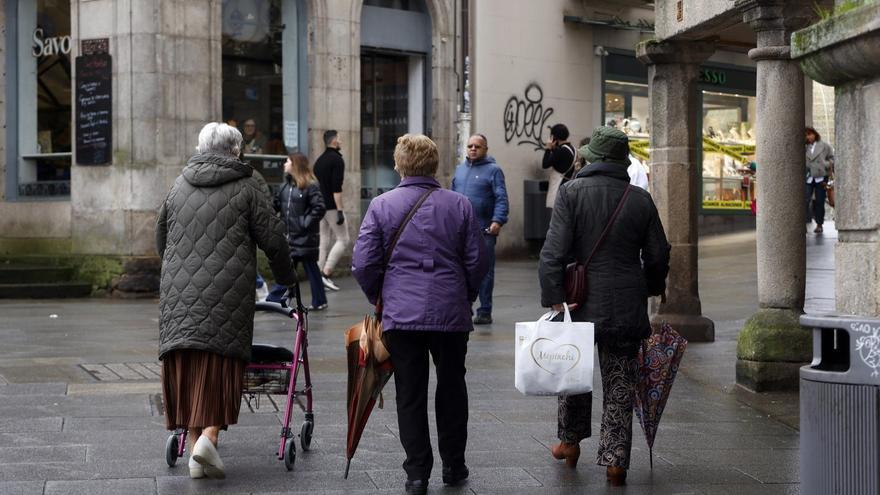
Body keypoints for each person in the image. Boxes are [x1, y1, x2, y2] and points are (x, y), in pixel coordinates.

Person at [156, 122, 295, 479]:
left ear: (201, 148)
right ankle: (209, 435)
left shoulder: (179, 183)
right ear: (236, 151)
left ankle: (195, 449)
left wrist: (177, 269)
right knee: (221, 360)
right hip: (227, 289)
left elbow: (161, 235)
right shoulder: (249, 184)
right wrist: (288, 280)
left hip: (177, 287)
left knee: (185, 359)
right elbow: (273, 239)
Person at [352, 134, 488, 495]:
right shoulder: (459, 205)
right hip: (450, 311)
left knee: (409, 392)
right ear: (434, 165)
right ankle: (454, 466)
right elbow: (477, 260)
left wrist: (379, 297)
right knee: (452, 387)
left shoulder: (382, 206)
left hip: (401, 314)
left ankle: (417, 473)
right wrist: (466, 294)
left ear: (399, 165)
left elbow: (364, 263)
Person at [539, 126, 670, 486]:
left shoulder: (571, 192)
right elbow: (658, 254)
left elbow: (553, 251)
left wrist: (553, 296)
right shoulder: (640, 199)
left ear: (592, 157)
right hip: (626, 303)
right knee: (620, 382)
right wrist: (651, 288)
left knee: (574, 372)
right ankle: (616, 461)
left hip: (580, 301)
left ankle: (569, 442)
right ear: (622, 161)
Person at [451, 134, 509, 325]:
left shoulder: (494, 171)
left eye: (477, 146)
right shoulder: (459, 170)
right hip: (460, 231)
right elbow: (451, 198)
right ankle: (463, 307)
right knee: (459, 270)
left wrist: (497, 220)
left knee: (484, 271)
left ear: (485, 149)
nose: (473, 149)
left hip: (484, 231)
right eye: (470, 146)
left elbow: (501, 197)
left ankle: (485, 310)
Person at [266, 153, 329, 310]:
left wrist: (304, 223)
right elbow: (276, 205)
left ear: (295, 164)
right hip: (289, 236)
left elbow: (319, 207)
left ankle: (318, 300)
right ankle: (276, 300)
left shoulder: (310, 185)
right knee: (288, 270)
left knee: (308, 268)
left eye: (287, 161)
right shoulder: (284, 186)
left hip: (305, 236)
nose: (285, 164)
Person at [314, 130, 349, 291]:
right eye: (339, 139)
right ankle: (326, 273)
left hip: (321, 206)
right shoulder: (337, 160)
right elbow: (337, 188)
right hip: (332, 207)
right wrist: (340, 210)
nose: (341, 141)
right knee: (343, 239)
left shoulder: (319, 161)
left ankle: (317, 274)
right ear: (334, 141)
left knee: (324, 241)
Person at [805, 126, 834, 234]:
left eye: (810, 134)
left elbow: (832, 159)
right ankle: (802, 223)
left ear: (815, 134)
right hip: (808, 177)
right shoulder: (804, 147)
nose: (809, 137)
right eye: (806, 135)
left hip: (821, 177)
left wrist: (824, 164)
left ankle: (819, 224)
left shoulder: (825, 146)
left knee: (820, 201)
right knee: (805, 200)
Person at [543, 123, 578, 208]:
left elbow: (545, 164)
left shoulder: (561, 150)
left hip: (558, 187)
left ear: (554, 137)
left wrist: (548, 149)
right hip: (568, 186)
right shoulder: (573, 149)